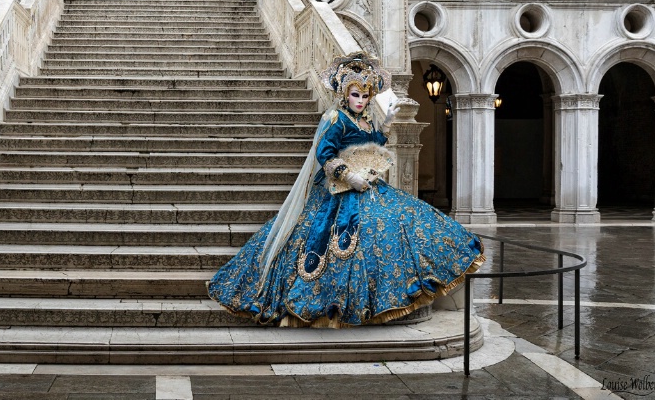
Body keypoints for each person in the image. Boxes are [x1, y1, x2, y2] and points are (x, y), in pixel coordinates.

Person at [207, 52, 484, 327]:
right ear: (344, 94)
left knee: (403, 219)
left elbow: (372, 145)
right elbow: (325, 153)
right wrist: (348, 176)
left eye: (365, 96)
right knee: (333, 238)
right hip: (337, 191)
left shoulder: (365, 120)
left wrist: (385, 125)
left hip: (369, 186)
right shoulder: (336, 119)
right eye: (355, 95)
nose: (361, 101)